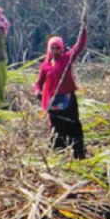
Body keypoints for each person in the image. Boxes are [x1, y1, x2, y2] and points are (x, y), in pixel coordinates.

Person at [34, 27, 88, 159]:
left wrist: (83, 28)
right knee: (57, 130)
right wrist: (37, 91)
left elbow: (79, 46)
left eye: (57, 48)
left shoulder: (66, 59)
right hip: (53, 103)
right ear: (49, 49)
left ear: (61, 48)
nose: (55, 51)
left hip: (67, 100)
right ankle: (59, 156)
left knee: (73, 126)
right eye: (52, 48)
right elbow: (38, 83)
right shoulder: (45, 65)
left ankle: (78, 155)